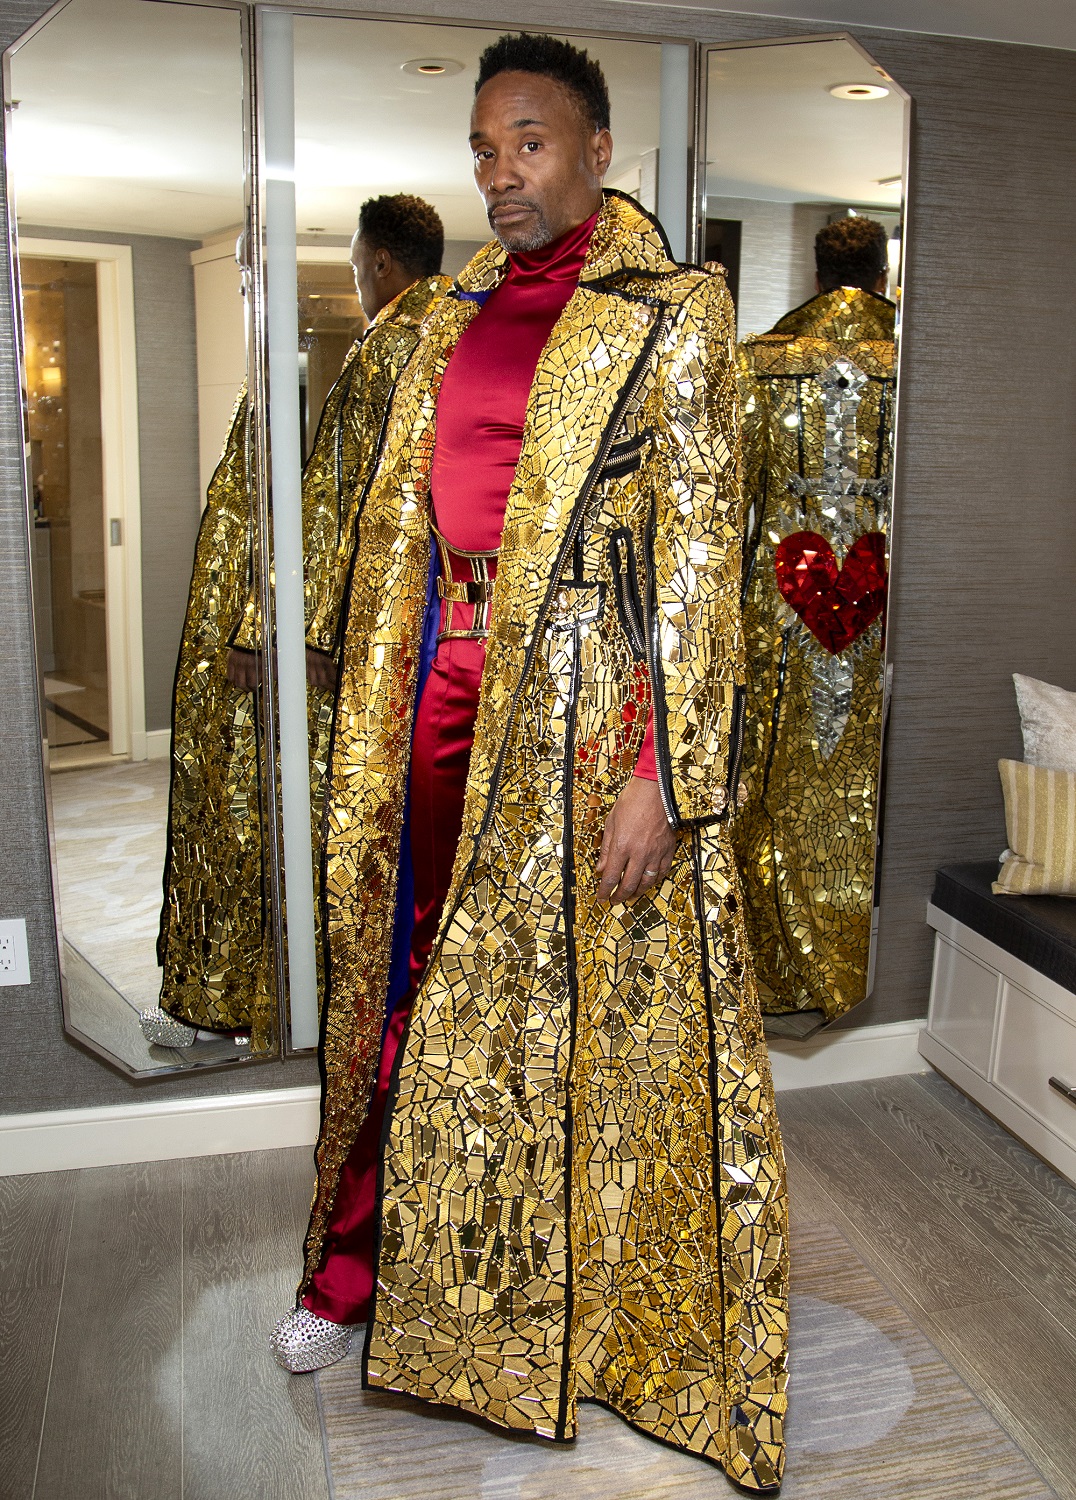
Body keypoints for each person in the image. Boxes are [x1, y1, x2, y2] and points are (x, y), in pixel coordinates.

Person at [272, 34, 788, 1494]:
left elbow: (697, 565)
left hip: (577, 703)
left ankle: (563, 1317)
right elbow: (365, 505)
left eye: (531, 142)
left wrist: (664, 775)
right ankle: (355, 1272)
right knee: (404, 979)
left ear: (597, 149)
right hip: (429, 680)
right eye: (485, 149)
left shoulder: (673, 310)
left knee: (561, 1023)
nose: (502, 171)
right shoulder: (436, 316)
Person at [144, 197, 449, 1048]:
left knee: (306, 808)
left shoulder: (387, 344)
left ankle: (294, 1000)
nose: (356, 283)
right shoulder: (467, 328)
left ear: (383, 263)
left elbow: (333, 504)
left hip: (368, 638)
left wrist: (291, 633)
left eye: (356, 267)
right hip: (448, 627)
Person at [733, 216, 897, 1024]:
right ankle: (865, 965)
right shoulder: (917, 364)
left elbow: (730, 509)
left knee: (769, 776)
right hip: (891, 615)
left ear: (817, 266)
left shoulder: (761, 364)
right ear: (881, 270)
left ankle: (776, 965)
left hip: (775, 616)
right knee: (871, 777)